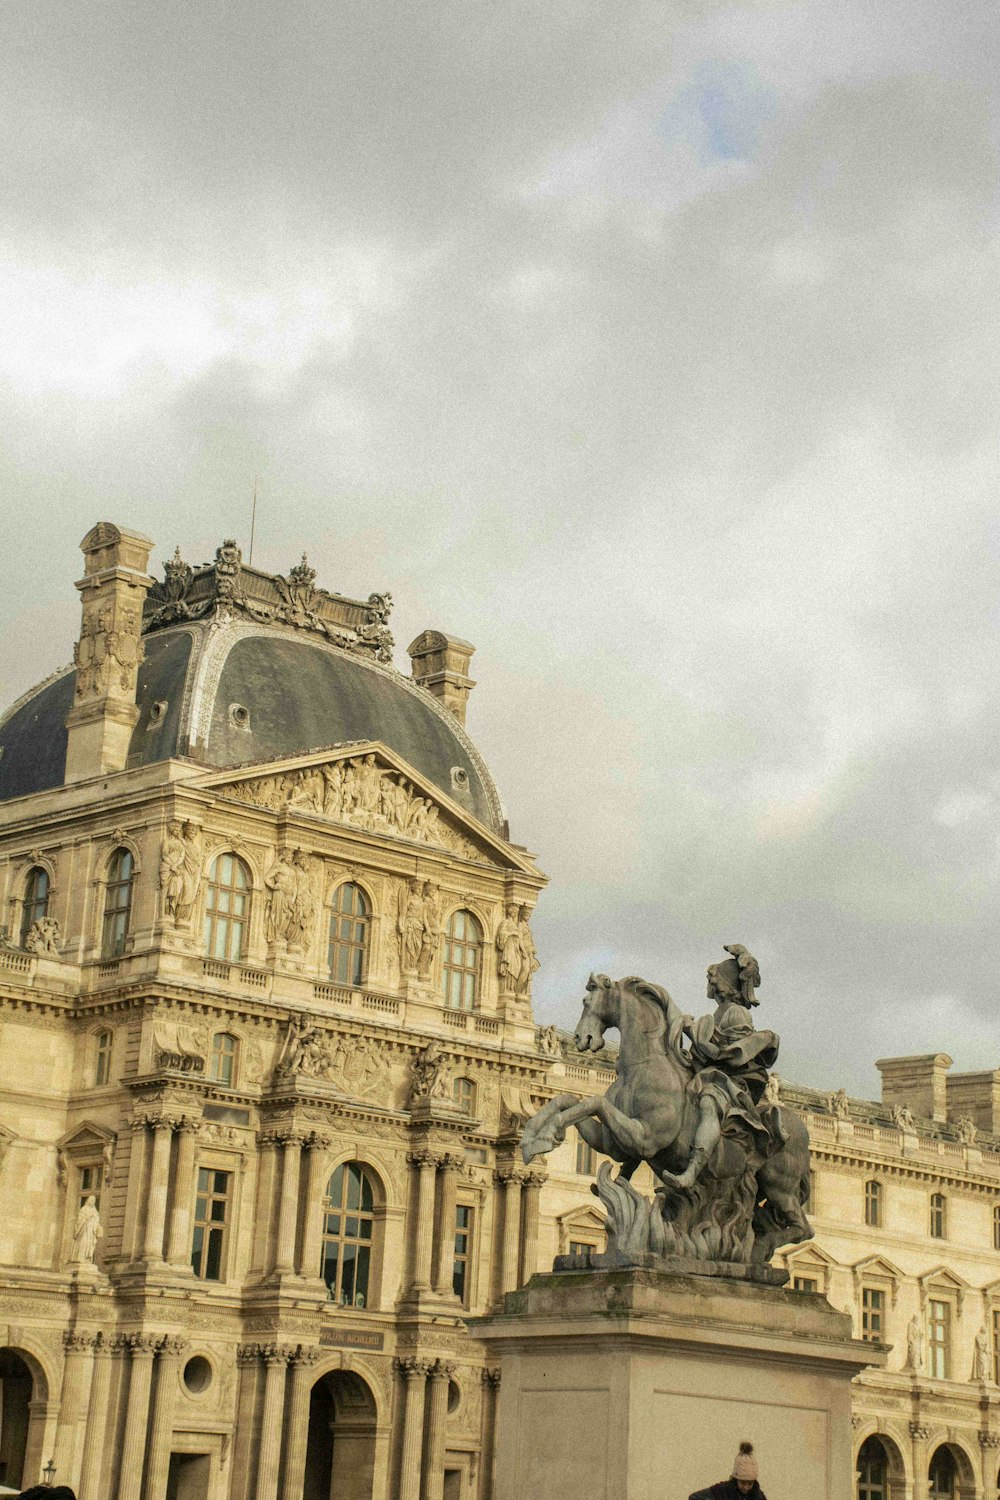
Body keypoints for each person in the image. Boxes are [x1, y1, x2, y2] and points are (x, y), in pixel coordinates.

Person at [661, 947, 781, 1192]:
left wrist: (692, 1030)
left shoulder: (736, 1012)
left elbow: (730, 1050)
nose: (708, 984)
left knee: (708, 1103)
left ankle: (692, 1171)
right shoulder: (721, 1012)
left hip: (732, 1081)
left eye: (711, 980)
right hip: (712, 1075)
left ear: (721, 984)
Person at [690, 1441, 766, 1500]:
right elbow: (694, 1498)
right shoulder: (721, 1491)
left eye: (750, 1484)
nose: (746, 1487)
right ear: (736, 1479)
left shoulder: (758, 1496)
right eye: (743, 1483)